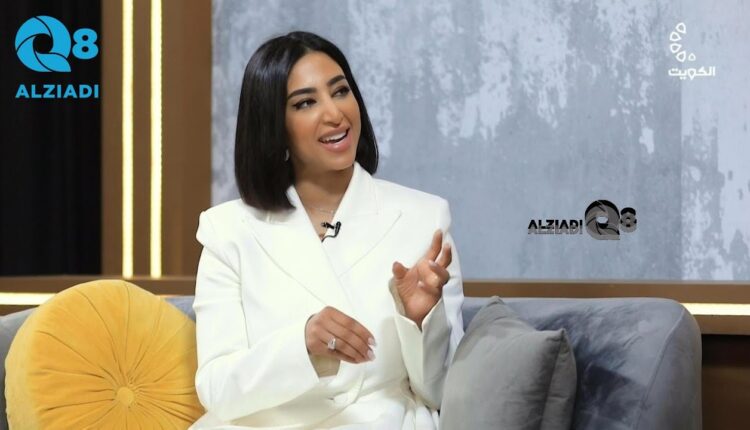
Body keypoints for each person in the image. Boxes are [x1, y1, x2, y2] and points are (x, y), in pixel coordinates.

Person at [190, 31, 465, 429]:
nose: (335, 113)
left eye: (340, 91)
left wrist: (421, 322)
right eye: (305, 102)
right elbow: (218, 390)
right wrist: (301, 345)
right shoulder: (227, 231)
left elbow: (441, 393)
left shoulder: (424, 218)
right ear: (274, 127)